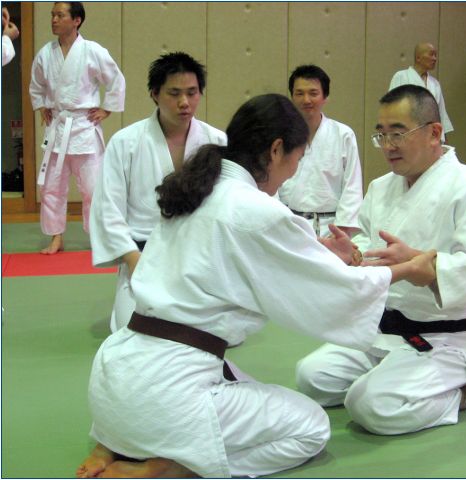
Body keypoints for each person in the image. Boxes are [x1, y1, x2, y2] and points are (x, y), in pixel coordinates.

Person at [76, 93, 437, 478]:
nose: (293, 172)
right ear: (276, 150)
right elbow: (334, 289)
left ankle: (117, 442)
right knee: (311, 427)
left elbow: (256, 256)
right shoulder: (255, 209)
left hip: (115, 377)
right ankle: (171, 467)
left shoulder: (193, 192)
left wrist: (322, 254)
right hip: (168, 393)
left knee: (235, 378)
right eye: (297, 159)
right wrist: (408, 268)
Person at [296, 85, 466, 436]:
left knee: (367, 406)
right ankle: (392, 377)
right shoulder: (382, 187)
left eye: (398, 133)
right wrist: (352, 255)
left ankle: (461, 389)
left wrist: (422, 265)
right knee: (311, 378)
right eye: (381, 134)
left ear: (434, 133)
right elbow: (369, 246)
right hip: (385, 332)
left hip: (446, 339)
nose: (388, 145)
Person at [90, 52, 227, 334]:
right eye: (174, 93)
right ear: (155, 94)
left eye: (192, 93)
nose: (184, 102)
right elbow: (107, 209)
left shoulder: (217, 141)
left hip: (200, 258)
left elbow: (233, 204)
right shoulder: (125, 143)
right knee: (134, 331)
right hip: (143, 256)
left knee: (220, 332)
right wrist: (133, 261)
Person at [29, 2, 126, 254]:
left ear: (76, 20)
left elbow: (115, 79)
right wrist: (42, 105)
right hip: (58, 129)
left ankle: (97, 238)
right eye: (52, 15)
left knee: (93, 189)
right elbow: (36, 85)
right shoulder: (45, 54)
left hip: (84, 128)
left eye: (60, 15)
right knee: (51, 187)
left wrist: (107, 109)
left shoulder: (92, 51)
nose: (54, 19)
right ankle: (56, 237)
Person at [278, 64, 363, 237]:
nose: (306, 100)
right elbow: (271, 182)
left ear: (325, 97)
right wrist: (277, 221)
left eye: (313, 93)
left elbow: (352, 186)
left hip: (330, 227)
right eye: (299, 93)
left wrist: (341, 230)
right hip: (287, 223)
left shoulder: (343, 134)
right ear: (292, 97)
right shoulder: (280, 134)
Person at [389, 42, 453, 142]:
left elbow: (441, 114)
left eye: (435, 55)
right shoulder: (401, 77)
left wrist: (444, 142)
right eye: (431, 54)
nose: (434, 58)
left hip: (431, 139)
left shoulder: (435, 84)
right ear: (418, 57)